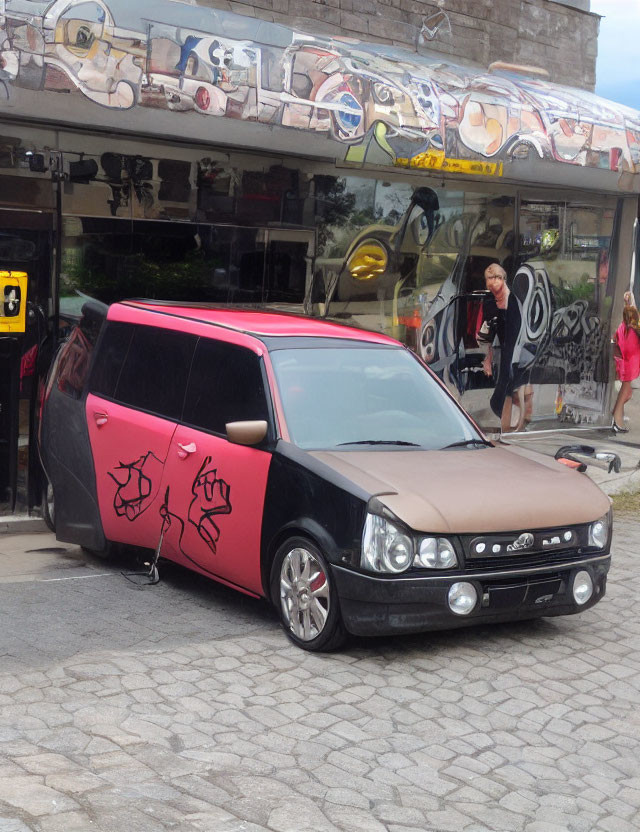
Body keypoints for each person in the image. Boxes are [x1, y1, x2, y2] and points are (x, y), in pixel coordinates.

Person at [478, 263, 533, 433]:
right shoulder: (491, 302)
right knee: (504, 392)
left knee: (506, 388)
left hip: (513, 348)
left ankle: (510, 425)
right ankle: (519, 417)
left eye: (494, 279)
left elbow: (518, 332)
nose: (491, 284)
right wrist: (488, 358)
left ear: (502, 279)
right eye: (488, 279)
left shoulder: (513, 302)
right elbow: (491, 333)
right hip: (502, 348)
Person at [611, 304, 640, 433]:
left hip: (626, 364)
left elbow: (617, 343)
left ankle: (617, 418)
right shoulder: (631, 331)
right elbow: (630, 349)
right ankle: (617, 420)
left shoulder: (622, 328)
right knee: (625, 394)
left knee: (626, 393)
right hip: (630, 364)